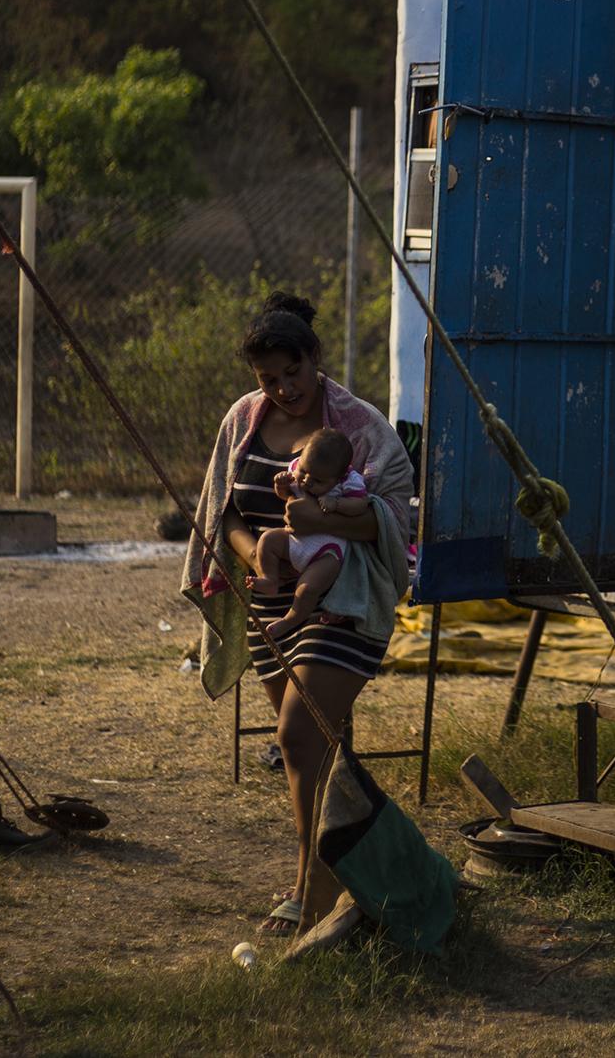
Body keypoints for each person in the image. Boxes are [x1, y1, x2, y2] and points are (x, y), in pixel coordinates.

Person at [179, 292, 413, 937]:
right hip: (267, 602)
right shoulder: (244, 420)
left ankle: (315, 891)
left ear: (316, 359)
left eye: (293, 373)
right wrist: (258, 556)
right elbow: (221, 507)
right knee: (315, 746)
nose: (283, 389)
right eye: (268, 379)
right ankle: (338, 874)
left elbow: (399, 518)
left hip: (344, 598)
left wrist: (322, 519)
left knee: (297, 736)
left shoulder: (361, 428)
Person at [250, 427, 371, 640]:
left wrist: (337, 503)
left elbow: (360, 505)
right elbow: (286, 494)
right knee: (268, 540)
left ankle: (291, 619)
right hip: (294, 539)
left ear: (339, 476)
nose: (306, 481)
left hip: (326, 551)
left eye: (318, 481)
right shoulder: (298, 468)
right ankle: (270, 578)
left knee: (306, 589)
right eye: (304, 473)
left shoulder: (348, 482)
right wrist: (281, 486)